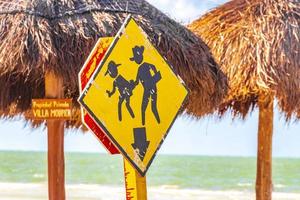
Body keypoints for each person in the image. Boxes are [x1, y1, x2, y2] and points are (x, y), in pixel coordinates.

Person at [130, 45, 161, 125]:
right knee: (143, 108)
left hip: (152, 86)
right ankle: (143, 124)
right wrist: (132, 84)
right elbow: (137, 81)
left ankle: (158, 122)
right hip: (147, 89)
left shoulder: (145, 65)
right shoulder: (139, 70)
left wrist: (154, 77)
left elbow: (153, 66)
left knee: (153, 107)